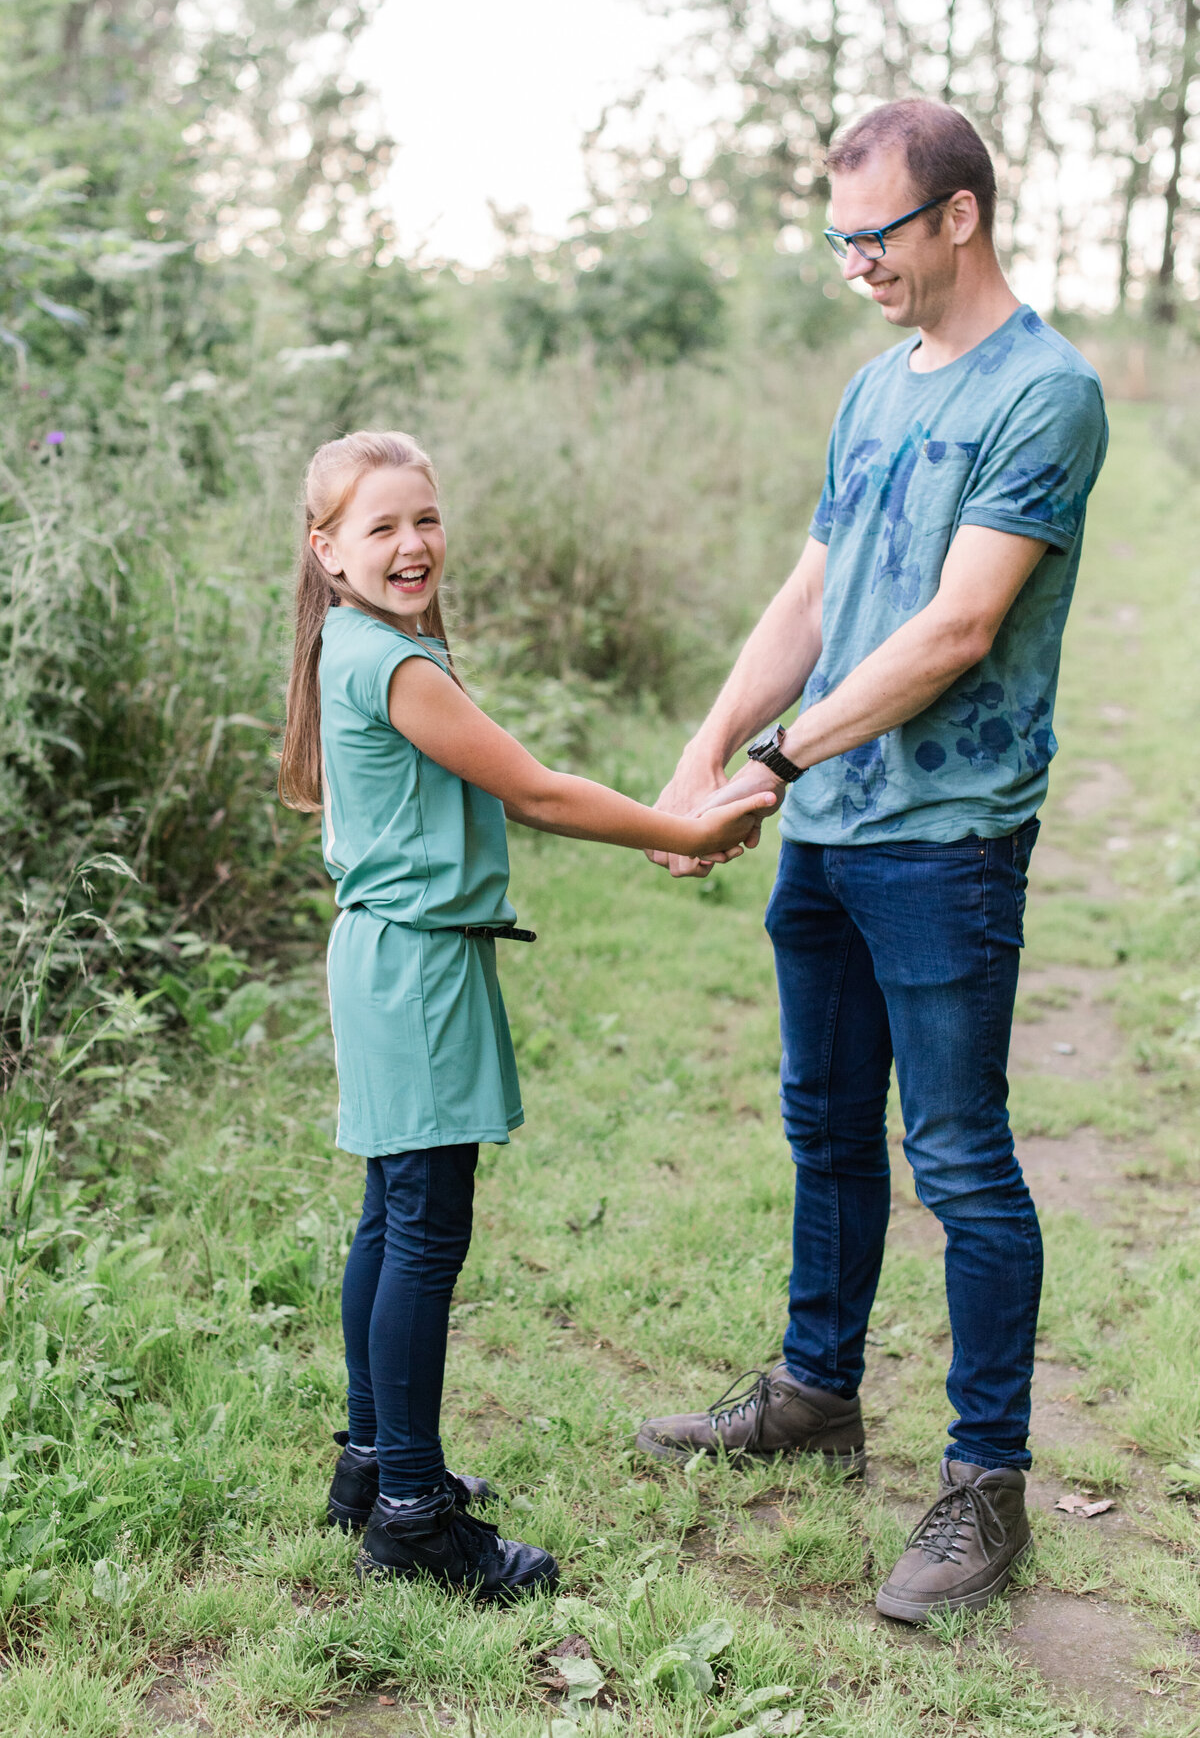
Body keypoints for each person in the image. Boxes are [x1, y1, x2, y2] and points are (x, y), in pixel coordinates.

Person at [635, 100, 1108, 1624]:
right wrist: (709, 751)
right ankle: (813, 1391)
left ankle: (986, 1483)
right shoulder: (872, 389)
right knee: (825, 1126)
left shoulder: (1047, 392)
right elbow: (818, 592)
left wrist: (777, 762)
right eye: (836, 238)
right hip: (832, 834)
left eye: (874, 235)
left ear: (958, 216)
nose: (853, 263)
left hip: (948, 839)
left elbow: (957, 627)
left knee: (959, 1156)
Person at [276, 429, 774, 1603]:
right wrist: (685, 827)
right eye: (382, 525)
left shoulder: (364, 642)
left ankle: (373, 1463)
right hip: (416, 971)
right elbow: (537, 787)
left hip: (390, 958)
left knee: (390, 1220)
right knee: (424, 1229)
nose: (412, 544)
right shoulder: (394, 666)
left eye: (426, 518)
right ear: (328, 548)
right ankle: (410, 1513)